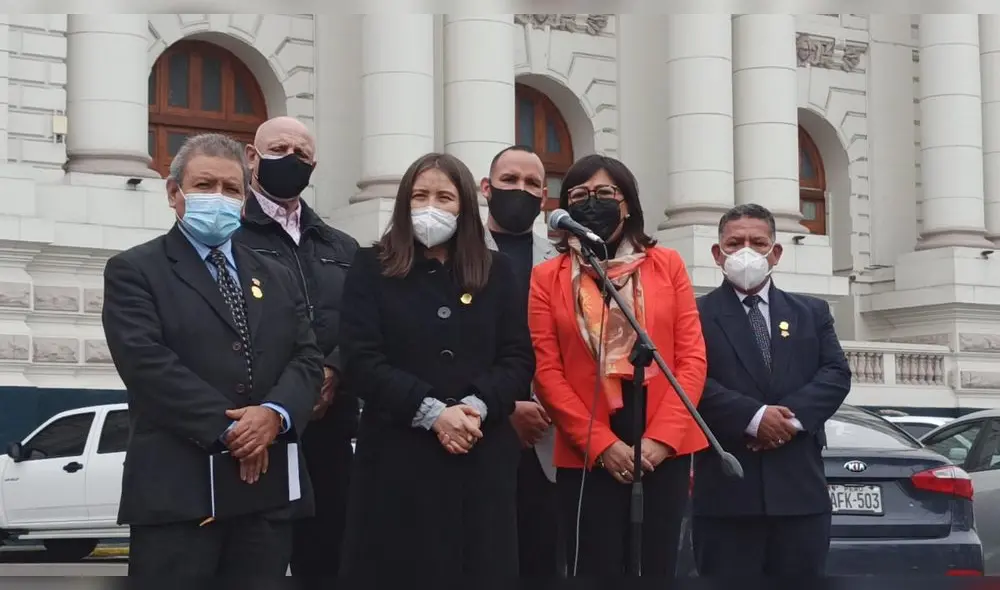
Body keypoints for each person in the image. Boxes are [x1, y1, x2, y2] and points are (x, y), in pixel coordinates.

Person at [101, 133, 323, 576]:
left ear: (244, 200)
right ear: (173, 192)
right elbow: (146, 364)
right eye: (204, 186)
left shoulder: (275, 274)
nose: (217, 197)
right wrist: (236, 431)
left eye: (231, 189)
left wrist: (273, 416)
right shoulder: (135, 271)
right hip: (179, 499)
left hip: (265, 496)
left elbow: (307, 357)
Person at [338, 152, 535, 578]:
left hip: (480, 460)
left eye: (444, 197)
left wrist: (474, 408)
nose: (431, 205)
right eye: (420, 195)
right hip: (397, 463)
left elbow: (517, 358)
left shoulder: (497, 272)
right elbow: (361, 359)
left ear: (463, 205)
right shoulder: (371, 267)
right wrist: (432, 413)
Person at [528, 154, 707, 576]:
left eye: (605, 192)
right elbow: (546, 370)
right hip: (589, 445)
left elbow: (692, 358)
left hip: (664, 442)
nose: (593, 201)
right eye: (580, 195)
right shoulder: (547, 278)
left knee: (656, 567)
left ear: (626, 203)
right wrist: (601, 444)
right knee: (596, 567)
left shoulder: (668, 265)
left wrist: (662, 439)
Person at [692, 203, 851, 576]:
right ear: (718, 254)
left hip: (800, 497)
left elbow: (835, 374)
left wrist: (786, 421)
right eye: (734, 243)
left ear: (775, 252)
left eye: (757, 242)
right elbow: (690, 380)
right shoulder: (694, 314)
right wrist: (753, 417)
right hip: (727, 499)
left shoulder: (811, 312)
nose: (746, 251)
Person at [233, 115, 360, 579]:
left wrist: (334, 371)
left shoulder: (342, 246)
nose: (290, 159)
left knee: (327, 553)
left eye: (301, 154)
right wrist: (290, 393)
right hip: (258, 425)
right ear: (252, 157)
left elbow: (361, 323)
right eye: (279, 148)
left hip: (331, 423)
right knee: (255, 557)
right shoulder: (230, 235)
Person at [481, 145, 562, 576]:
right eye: (509, 180)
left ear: (545, 198)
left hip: (547, 436)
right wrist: (506, 407)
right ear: (486, 187)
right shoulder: (457, 252)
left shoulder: (564, 261)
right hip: (479, 427)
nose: (520, 190)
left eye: (532, 183)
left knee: (540, 560)